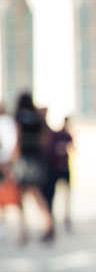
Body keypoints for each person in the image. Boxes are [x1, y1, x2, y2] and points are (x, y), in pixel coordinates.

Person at [12, 91, 54, 243]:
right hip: (37, 159)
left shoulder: (19, 117)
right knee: (37, 194)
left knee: (21, 196)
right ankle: (48, 224)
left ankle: (23, 231)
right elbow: (45, 139)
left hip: (24, 159)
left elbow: (17, 139)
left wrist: (12, 160)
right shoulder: (37, 118)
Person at [44, 116, 74, 232]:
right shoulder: (55, 135)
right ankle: (52, 219)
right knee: (53, 195)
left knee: (66, 195)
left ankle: (66, 217)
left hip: (64, 169)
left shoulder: (67, 135)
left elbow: (73, 148)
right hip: (55, 169)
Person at [0, 101, 23, 242]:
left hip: (6, 163)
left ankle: (20, 228)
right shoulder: (9, 122)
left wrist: (9, 164)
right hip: (7, 162)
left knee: (14, 195)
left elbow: (12, 144)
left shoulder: (7, 123)